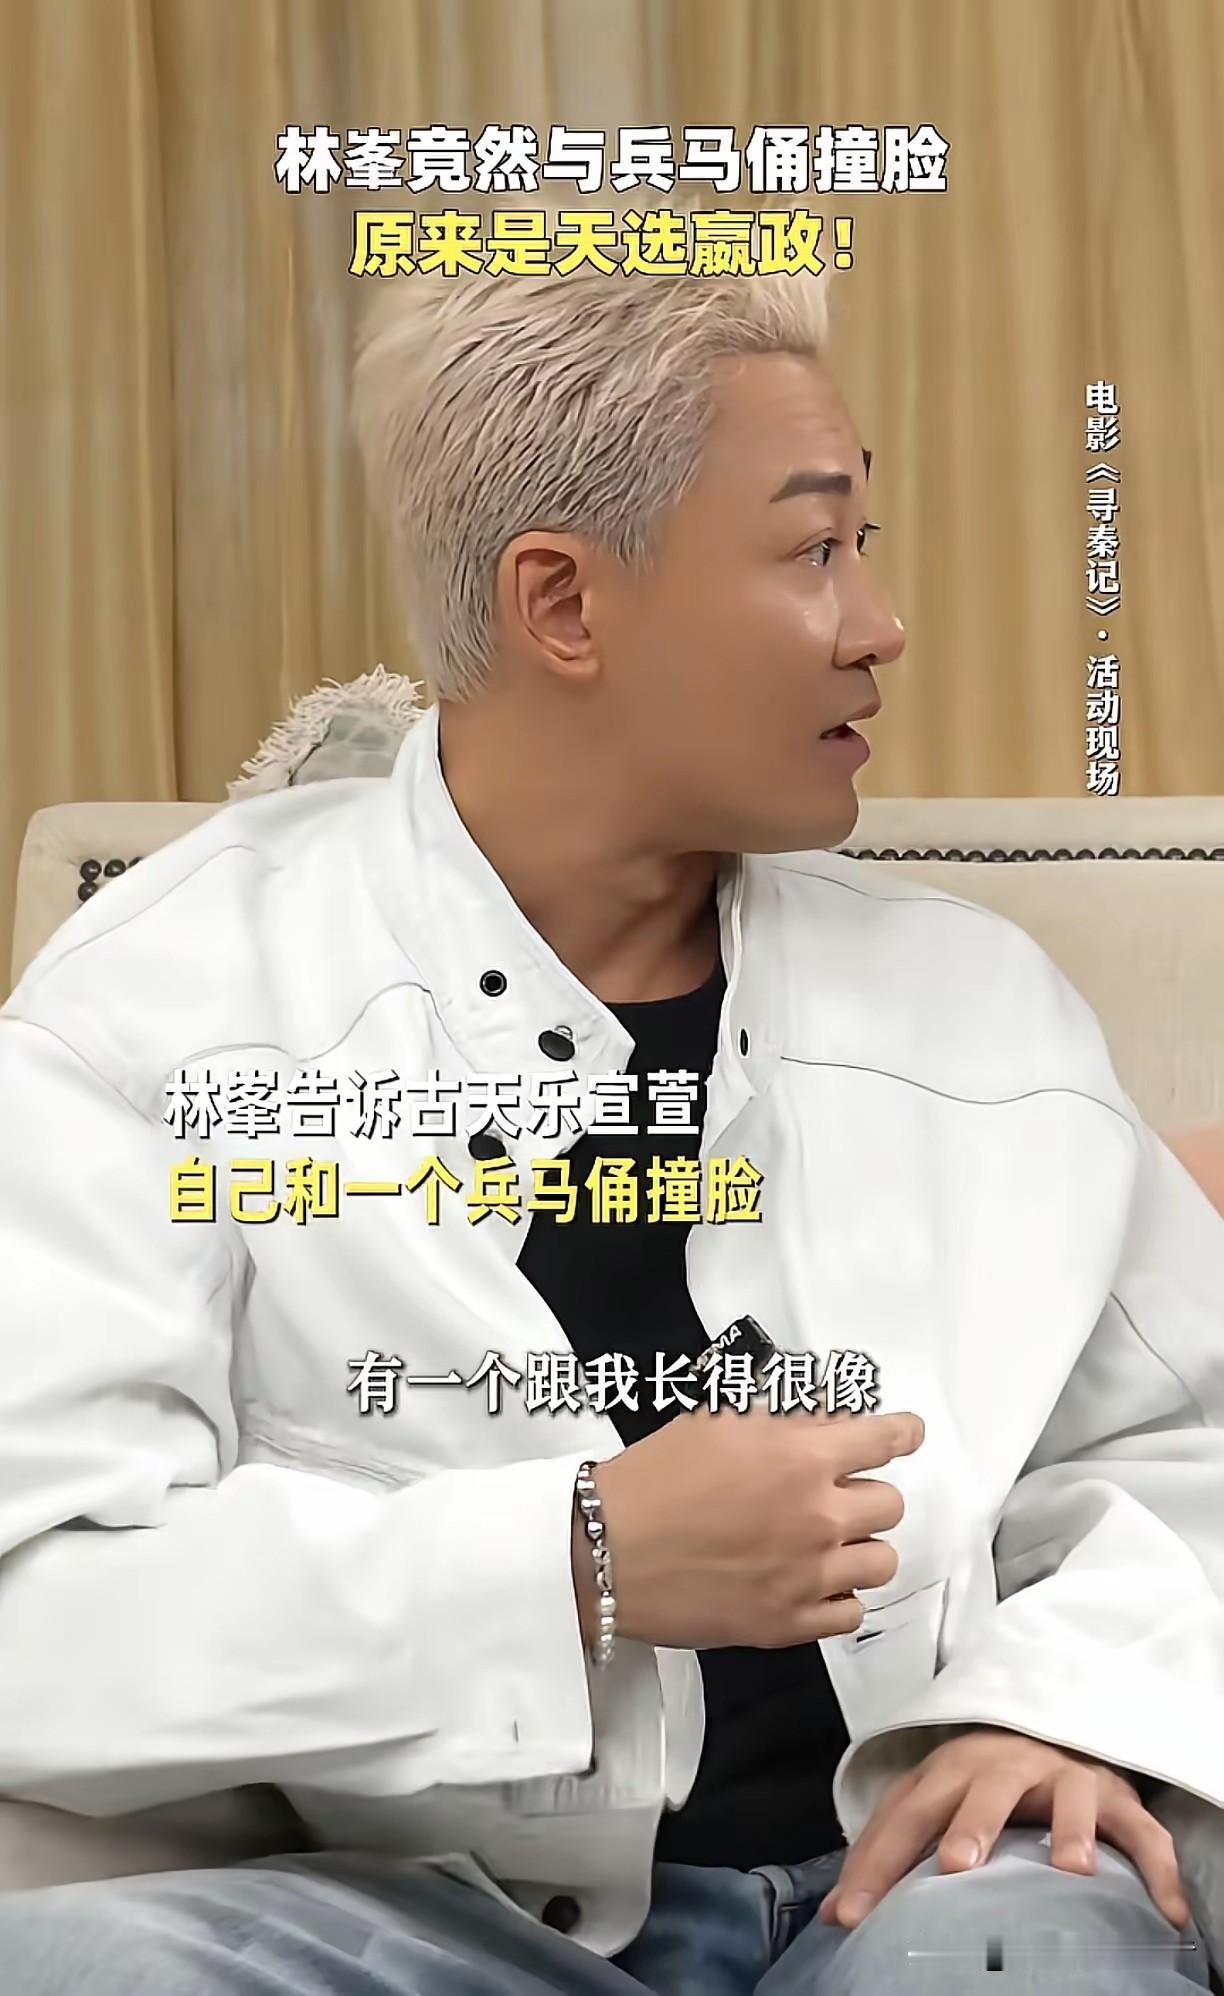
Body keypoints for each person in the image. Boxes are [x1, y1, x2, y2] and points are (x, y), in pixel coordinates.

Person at [0, 214, 1221, 1996]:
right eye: (813, 551)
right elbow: (36, 1602)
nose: (878, 627)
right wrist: (571, 1561)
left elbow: (1180, 1448)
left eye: (864, 547)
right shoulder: (170, 1007)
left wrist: (1069, 1707)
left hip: (933, 1895)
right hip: (433, 1919)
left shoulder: (974, 1010)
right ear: (563, 602)